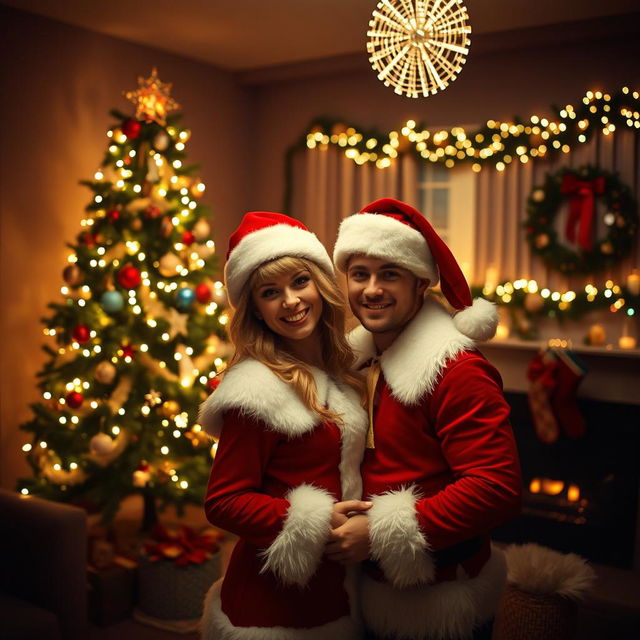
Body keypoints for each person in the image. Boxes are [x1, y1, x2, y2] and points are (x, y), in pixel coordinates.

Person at [327, 198, 522, 640]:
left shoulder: (456, 370)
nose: (371, 289)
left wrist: (377, 533)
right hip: (366, 589)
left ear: (420, 283)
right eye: (360, 274)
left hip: (439, 602)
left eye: (389, 273)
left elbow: (496, 489)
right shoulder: (356, 360)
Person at [198, 211, 369, 639]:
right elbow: (223, 501)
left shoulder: (340, 371)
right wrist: (315, 518)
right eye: (270, 292)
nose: (290, 301)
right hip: (271, 603)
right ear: (255, 310)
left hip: (332, 589)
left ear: (320, 284)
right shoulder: (257, 390)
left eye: (299, 282)